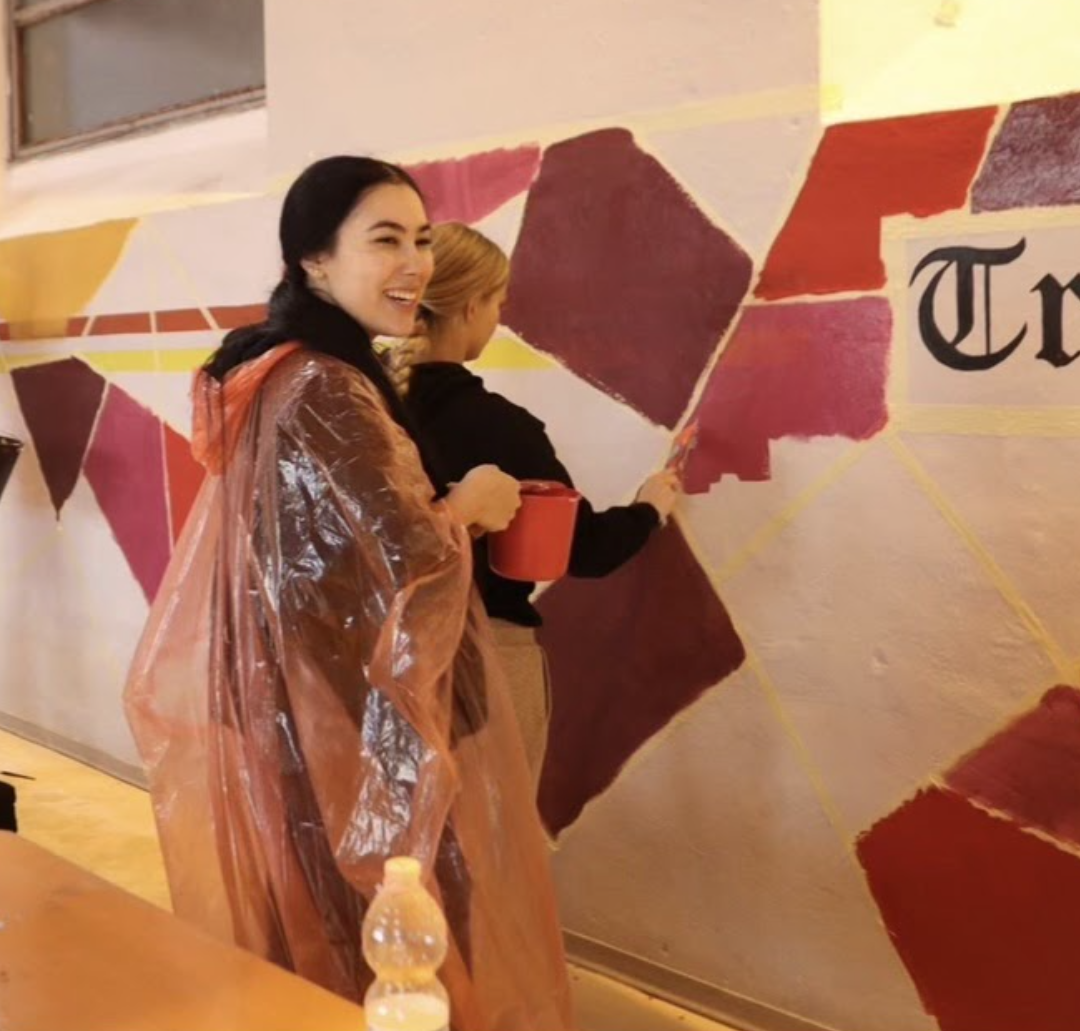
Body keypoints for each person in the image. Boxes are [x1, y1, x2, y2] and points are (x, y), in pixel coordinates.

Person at [124, 158, 575, 1031]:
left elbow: (318, 556)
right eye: (384, 240)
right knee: (399, 929)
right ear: (315, 261)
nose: (414, 264)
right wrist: (472, 506)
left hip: (312, 704)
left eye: (421, 240)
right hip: (356, 714)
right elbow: (394, 560)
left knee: (329, 914)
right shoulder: (328, 386)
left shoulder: (278, 371)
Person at [396, 223, 681, 784]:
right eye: (497, 303)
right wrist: (648, 509)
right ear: (471, 306)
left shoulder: (365, 414)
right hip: (487, 663)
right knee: (496, 833)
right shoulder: (502, 429)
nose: (497, 319)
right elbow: (584, 549)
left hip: (389, 664)